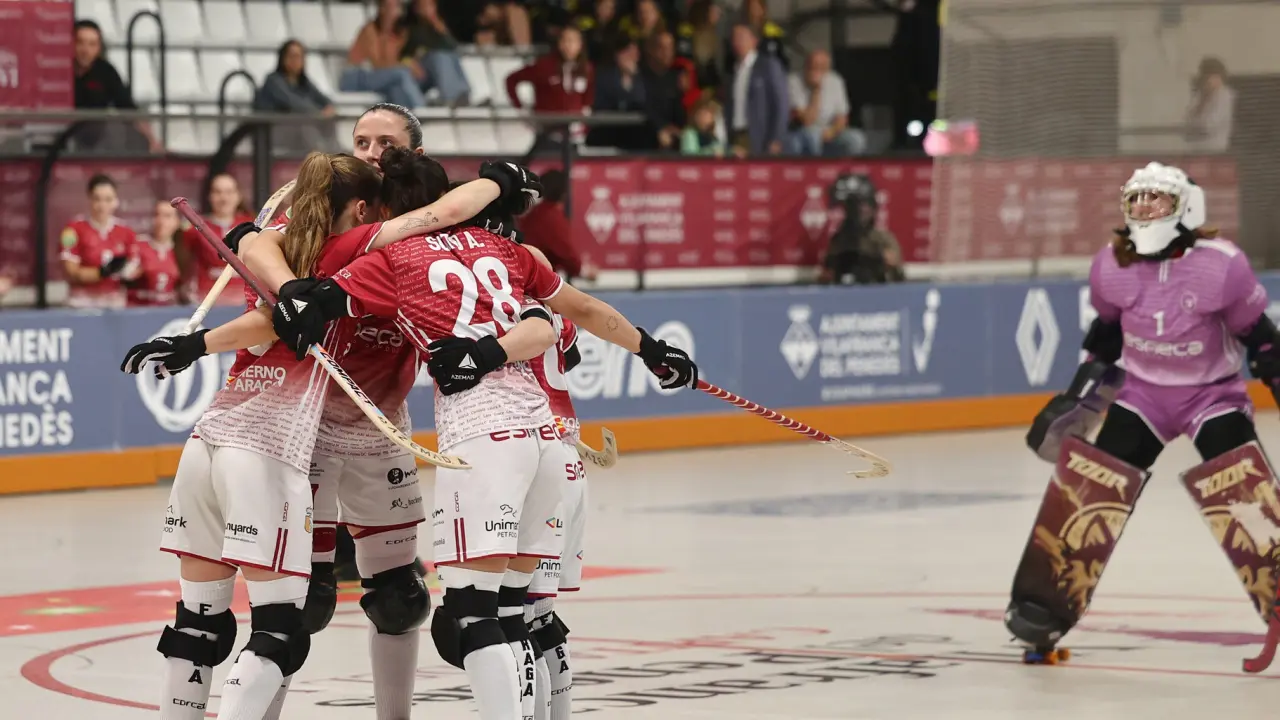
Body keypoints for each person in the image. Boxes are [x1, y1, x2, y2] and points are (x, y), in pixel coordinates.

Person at [269, 172, 699, 720]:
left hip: (484, 440)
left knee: (472, 617)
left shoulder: (394, 259)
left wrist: (268, 263)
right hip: (548, 440)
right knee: (516, 613)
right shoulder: (510, 250)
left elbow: (309, 301)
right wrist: (653, 350)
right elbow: (583, 311)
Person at [121, 153, 521, 720]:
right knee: (282, 630)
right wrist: (502, 182)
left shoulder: (291, 249)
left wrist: (198, 339)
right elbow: (443, 215)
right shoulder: (367, 252)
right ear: (362, 207)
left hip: (211, 438)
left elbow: (263, 281)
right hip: (273, 451)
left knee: (200, 625)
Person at [1008, 162, 1280, 664]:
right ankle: (1042, 605)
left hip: (1212, 396)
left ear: (1187, 209)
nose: (1144, 209)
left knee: (1245, 494)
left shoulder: (1222, 265)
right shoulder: (1110, 265)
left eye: (1157, 199)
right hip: (1143, 396)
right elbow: (1106, 337)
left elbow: (1261, 340)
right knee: (1089, 490)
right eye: (1136, 199)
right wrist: (1081, 395)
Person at [518, 245, 588, 720]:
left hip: (537, 458)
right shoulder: (556, 313)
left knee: (515, 618)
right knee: (538, 617)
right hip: (568, 459)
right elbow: (572, 353)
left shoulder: (512, 312)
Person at [71, 19, 161, 153]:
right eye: (80, 43)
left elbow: (128, 109)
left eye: (92, 44)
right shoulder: (58, 70)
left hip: (94, 145)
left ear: (99, 48)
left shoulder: (106, 72)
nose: (85, 50)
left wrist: (152, 140)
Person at [505, 26, 594, 152]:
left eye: (573, 41)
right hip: (548, 134)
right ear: (559, 43)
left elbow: (587, 99)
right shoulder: (544, 66)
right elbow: (511, 79)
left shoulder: (587, 68)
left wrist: (584, 123)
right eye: (565, 40)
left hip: (575, 136)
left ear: (580, 45)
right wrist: (521, 109)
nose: (569, 45)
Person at [60, 173, 139, 309]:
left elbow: (136, 267)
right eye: (97, 199)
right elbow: (72, 271)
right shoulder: (72, 229)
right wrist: (102, 272)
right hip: (81, 303)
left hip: (115, 303)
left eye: (108, 199)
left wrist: (128, 271)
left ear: (116, 201)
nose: (102, 205)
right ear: (89, 199)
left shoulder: (127, 231)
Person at [253, 40, 339, 153]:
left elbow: (324, 100)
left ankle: (335, 154)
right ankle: (320, 157)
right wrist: (319, 113)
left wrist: (328, 108)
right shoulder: (273, 81)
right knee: (305, 125)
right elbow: (293, 103)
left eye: (299, 57)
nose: (296, 61)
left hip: (296, 130)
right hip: (273, 131)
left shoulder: (304, 82)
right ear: (283, 59)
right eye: (292, 56)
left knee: (329, 120)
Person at [180, 173, 253, 306]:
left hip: (247, 301)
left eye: (229, 192)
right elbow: (183, 266)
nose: (224, 198)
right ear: (210, 196)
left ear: (238, 196)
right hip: (207, 301)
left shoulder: (252, 225)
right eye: (218, 192)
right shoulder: (194, 228)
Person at [339, 0, 427, 110]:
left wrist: (410, 65)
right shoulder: (370, 30)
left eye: (398, 7)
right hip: (357, 76)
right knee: (401, 73)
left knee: (396, 89)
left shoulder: (399, 33)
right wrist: (404, 66)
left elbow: (404, 61)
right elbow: (377, 64)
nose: (398, 12)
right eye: (393, 7)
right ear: (382, 9)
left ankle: (407, 118)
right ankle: (423, 111)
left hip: (382, 78)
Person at [819, 173, 902, 284]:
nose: (859, 211)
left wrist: (886, 261)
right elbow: (827, 276)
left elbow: (897, 275)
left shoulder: (883, 239)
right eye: (853, 206)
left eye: (864, 205)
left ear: (873, 208)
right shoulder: (839, 239)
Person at [723, 23, 788, 156]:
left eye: (741, 37)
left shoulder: (768, 66)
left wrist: (776, 137)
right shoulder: (732, 70)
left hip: (760, 135)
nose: (737, 42)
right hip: (736, 133)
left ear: (754, 40)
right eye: (734, 38)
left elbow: (781, 103)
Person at [518, 169, 595, 280]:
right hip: (535, 279)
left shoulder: (536, 213)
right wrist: (584, 271)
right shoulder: (551, 216)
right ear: (564, 193)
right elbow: (564, 251)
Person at [787, 50, 865, 157]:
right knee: (813, 135)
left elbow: (842, 117)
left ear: (827, 69)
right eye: (811, 66)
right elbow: (806, 120)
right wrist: (816, 90)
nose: (814, 71)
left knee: (856, 138)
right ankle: (815, 167)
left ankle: (842, 167)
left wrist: (832, 131)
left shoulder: (836, 81)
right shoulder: (793, 81)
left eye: (820, 67)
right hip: (801, 131)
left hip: (829, 129)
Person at [400, 0, 472, 106]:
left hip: (432, 71)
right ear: (416, 8)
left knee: (450, 55)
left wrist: (436, 23)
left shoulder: (435, 28)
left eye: (430, 5)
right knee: (438, 57)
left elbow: (453, 47)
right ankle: (452, 98)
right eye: (423, 5)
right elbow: (398, 54)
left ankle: (462, 95)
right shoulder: (408, 27)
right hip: (414, 73)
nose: (427, 9)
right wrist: (409, 62)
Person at [125, 200, 183, 307]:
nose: (161, 221)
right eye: (157, 215)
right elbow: (125, 275)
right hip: (138, 310)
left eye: (167, 216)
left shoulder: (182, 251)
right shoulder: (138, 245)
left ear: (177, 222)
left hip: (169, 311)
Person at [1185, 56, 1235, 152]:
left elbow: (1209, 126)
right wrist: (1202, 102)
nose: (1207, 81)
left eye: (1210, 77)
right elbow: (1187, 121)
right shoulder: (1200, 95)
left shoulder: (1225, 96)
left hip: (1214, 148)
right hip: (1194, 147)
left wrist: (1196, 125)